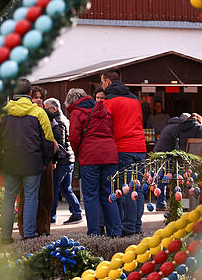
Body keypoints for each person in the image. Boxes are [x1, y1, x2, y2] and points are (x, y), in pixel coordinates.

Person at [0, 78, 56, 244]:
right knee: (31, 198)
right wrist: (45, 161)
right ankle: (28, 234)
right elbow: (48, 141)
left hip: (10, 163)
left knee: (9, 198)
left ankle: (5, 236)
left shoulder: (3, 113)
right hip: (33, 163)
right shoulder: (39, 112)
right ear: (30, 93)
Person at [66, 88, 122, 237]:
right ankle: (115, 232)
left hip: (90, 157)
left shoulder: (77, 112)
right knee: (108, 194)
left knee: (91, 196)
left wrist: (78, 153)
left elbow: (74, 138)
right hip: (110, 155)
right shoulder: (104, 110)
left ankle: (94, 233)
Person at [100, 68, 146, 236]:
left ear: (108, 82)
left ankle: (128, 228)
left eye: (102, 82)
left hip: (123, 148)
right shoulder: (135, 99)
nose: (102, 86)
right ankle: (137, 226)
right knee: (137, 188)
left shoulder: (108, 102)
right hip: (140, 147)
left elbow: (105, 127)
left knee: (126, 189)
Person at [16, 84, 55, 237]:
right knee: (27, 196)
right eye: (35, 97)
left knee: (46, 195)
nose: (38, 100)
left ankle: (43, 227)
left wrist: (51, 159)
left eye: (40, 98)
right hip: (30, 160)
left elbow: (53, 138)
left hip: (46, 160)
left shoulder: (47, 115)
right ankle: (26, 229)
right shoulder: (24, 115)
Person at [44, 97, 83, 225]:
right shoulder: (65, 119)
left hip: (62, 161)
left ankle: (51, 217)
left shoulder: (57, 121)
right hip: (69, 159)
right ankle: (77, 213)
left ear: (54, 109)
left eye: (46, 108)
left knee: (54, 189)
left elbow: (59, 143)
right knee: (66, 189)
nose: (44, 111)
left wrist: (54, 160)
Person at [153, 113, 188, 210]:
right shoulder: (177, 128)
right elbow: (178, 144)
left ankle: (161, 204)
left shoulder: (169, 126)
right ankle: (170, 204)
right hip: (166, 155)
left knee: (162, 179)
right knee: (166, 179)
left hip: (160, 153)